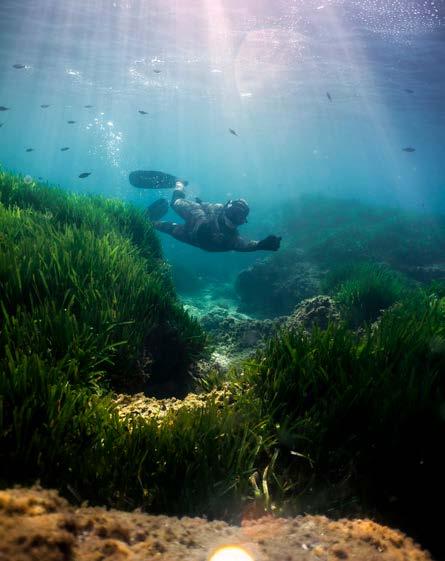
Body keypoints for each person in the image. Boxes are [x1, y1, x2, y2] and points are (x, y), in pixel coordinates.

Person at [150, 184, 281, 252]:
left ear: (242, 221)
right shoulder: (218, 209)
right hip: (197, 218)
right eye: (234, 212)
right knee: (175, 202)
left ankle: (150, 222)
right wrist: (201, 204)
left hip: (192, 238)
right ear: (227, 208)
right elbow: (207, 207)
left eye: (239, 216)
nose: (234, 217)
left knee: (168, 228)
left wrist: (261, 245)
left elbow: (245, 244)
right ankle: (179, 184)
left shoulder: (231, 239)